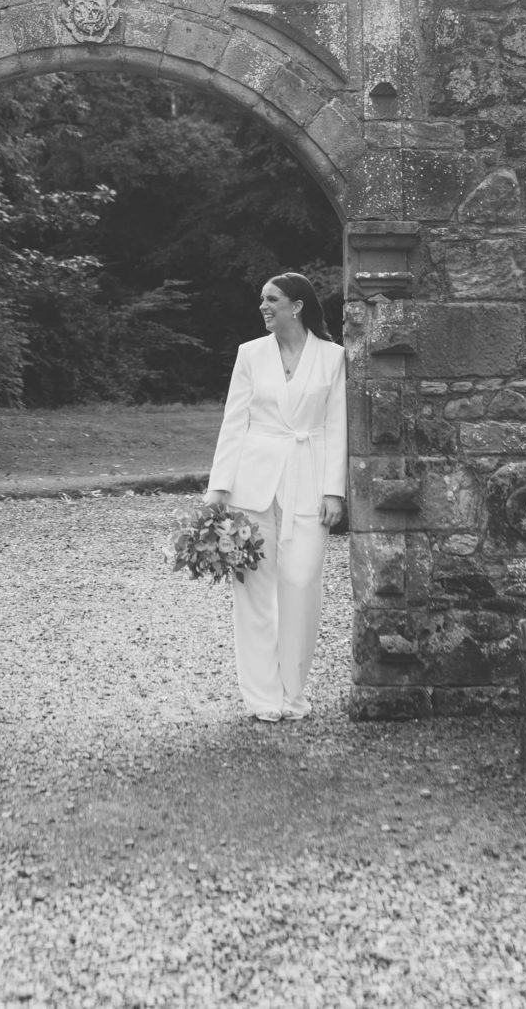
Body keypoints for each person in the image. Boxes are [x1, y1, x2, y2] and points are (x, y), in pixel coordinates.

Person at [204, 272, 346, 722]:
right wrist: (218, 491)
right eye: (262, 300)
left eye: (272, 299)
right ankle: (263, 696)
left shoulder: (333, 357)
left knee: (301, 584)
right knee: (254, 590)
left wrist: (333, 491)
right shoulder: (250, 354)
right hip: (253, 483)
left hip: (310, 479)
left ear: (297, 305)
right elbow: (234, 423)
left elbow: (337, 425)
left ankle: (293, 692)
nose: (263, 307)